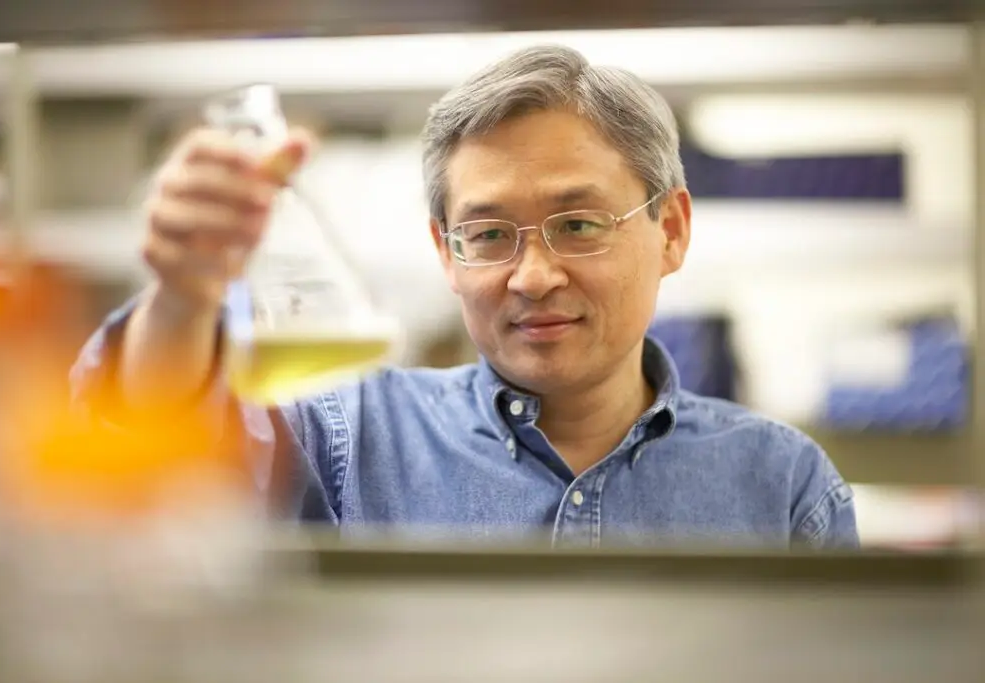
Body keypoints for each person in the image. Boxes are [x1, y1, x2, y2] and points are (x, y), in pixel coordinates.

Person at [71, 44, 858, 549]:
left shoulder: (781, 486)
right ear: (443, 252)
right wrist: (182, 298)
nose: (532, 275)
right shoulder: (347, 433)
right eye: (487, 235)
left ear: (672, 230)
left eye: (578, 223)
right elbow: (147, 435)